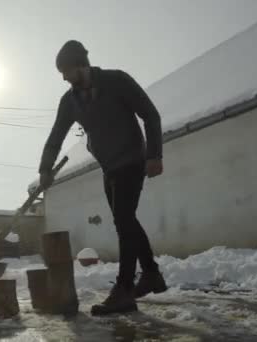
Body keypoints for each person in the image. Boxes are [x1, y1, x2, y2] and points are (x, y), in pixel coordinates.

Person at [39, 40, 168, 315]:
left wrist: (154, 155)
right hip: (109, 167)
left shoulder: (116, 80)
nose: (63, 77)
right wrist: (45, 169)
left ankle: (123, 290)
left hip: (132, 160)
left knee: (123, 219)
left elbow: (151, 115)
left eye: (66, 70)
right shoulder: (70, 101)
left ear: (81, 65)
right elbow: (55, 138)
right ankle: (151, 273)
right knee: (126, 219)